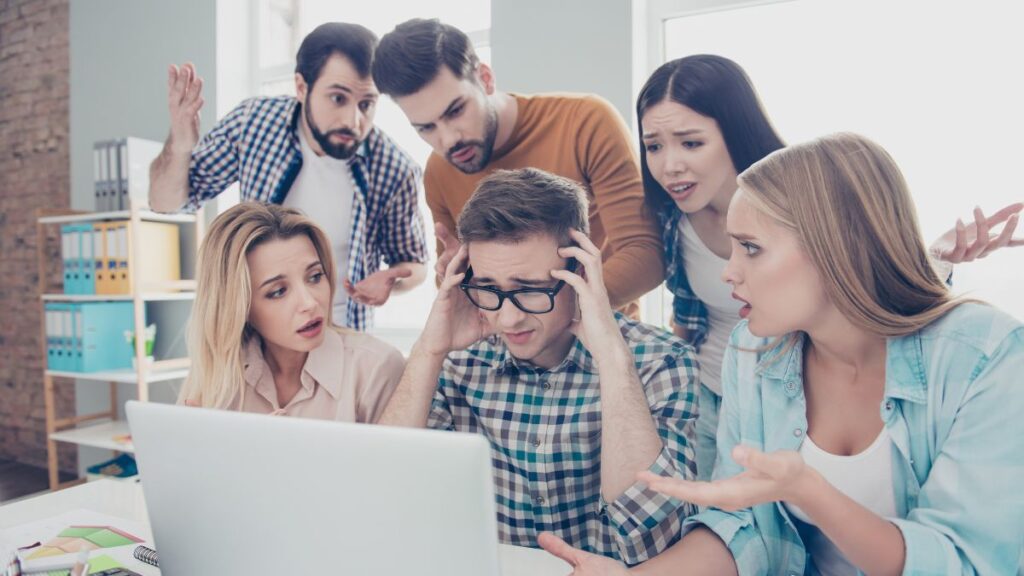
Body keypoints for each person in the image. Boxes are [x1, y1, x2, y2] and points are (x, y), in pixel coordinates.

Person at [538, 133, 1024, 575]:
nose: (729, 273)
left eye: (750, 248)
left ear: (839, 247)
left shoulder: (984, 355)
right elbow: (742, 526)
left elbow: (967, 562)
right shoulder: (753, 352)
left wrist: (807, 489)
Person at [635, 54, 1024, 480]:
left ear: (734, 132)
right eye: (653, 145)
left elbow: (859, 288)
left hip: (791, 385)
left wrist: (933, 258)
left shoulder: (805, 195)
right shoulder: (671, 219)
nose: (669, 165)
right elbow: (688, 321)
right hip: (717, 390)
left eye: (691, 143)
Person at [377, 168, 699, 565]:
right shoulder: (455, 363)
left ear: (580, 272)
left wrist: (613, 362)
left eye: (529, 290)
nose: (508, 319)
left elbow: (654, 540)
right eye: (490, 289)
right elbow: (385, 497)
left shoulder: (662, 362)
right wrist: (429, 349)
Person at [371, 18, 663, 318]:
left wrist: (546, 313)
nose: (448, 139)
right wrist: (451, 279)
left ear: (485, 78)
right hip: (507, 345)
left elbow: (645, 255)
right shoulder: (439, 170)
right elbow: (465, 289)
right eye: (425, 128)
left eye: (456, 111)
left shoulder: (586, 122)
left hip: (601, 337)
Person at [149, 22, 428, 330]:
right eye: (338, 98)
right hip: (256, 331)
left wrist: (391, 282)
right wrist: (180, 144)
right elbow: (165, 203)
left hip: (340, 335)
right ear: (301, 87)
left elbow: (414, 265)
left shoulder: (394, 168)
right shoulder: (254, 123)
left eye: (367, 104)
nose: (353, 120)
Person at [179, 202, 405, 423]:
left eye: (315, 276)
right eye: (278, 291)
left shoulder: (377, 368)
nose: (309, 303)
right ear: (239, 306)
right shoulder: (215, 375)